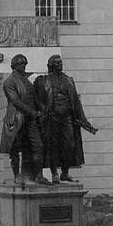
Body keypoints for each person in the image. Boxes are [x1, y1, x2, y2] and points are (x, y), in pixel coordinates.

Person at [34, 54, 98, 183]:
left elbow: (76, 101)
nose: (60, 65)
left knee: (69, 145)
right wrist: (44, 113)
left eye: (61, 62)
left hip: (67, 118)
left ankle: (65, 172)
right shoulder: (43, 81)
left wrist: (84, 121)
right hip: (52, 118)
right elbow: (38, 99)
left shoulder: (69, 80)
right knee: (53, 146)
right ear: (52, 65)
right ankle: (54, 173)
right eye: (57, 63)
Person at [0, 53, 46, 186]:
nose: (23, 66)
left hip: (30, 119)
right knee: (15, 148)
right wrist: (31, 112)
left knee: (38, 145)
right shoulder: (9, 81)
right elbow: (15, 101)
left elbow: (33, 98)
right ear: (14, 65)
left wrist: (40, 110)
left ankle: (39, 175)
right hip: (16, 119)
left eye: (25, 63)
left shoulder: (27, 80)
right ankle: (17, 176)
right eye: (21, 64)